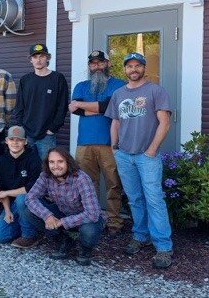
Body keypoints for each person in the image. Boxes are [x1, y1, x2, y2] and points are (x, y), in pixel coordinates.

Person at [105, 52, 174, 269]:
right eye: (129, 66)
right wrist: (114, 147)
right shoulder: (118, 94)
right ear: (124, 69)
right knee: (134, 199)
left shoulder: (156, 91)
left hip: (147, 157)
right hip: (124, 155)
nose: (133, 69)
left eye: (137, 66)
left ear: (144, 68)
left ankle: (163, 246)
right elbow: (115, 122)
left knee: (154, 199)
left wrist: (152, 150)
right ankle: (140, 235)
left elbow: (164, 123)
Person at [69, 50, 126, 235]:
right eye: (93, 64)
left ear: (107, 63)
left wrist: (85, 105)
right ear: (89, 66)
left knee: (113, 183)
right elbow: (74, 109)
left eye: (100, 63)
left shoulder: (118, 85)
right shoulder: (81, 86)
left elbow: (112, 106)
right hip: (84, 144)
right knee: (87, 184)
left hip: (111, 143)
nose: (97, 67)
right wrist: (102, 107)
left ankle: (114, 223)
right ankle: (91, 219)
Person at [18, 147, 104, 265]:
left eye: (60, 161)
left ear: (68, 162)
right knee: (26, 207)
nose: (55, 166)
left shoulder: (81, 178)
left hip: (85, 219)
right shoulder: (46, 176)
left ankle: (85, 250)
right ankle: (63, 240)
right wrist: (47, 216)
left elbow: (92, 213)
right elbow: (30, 197)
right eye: (51, 162)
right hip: (62, 212)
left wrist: (61, 222)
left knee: (89, 230)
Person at [12, 44, 69, 160]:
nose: (38, 60)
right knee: (28, 169)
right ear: (30, 60)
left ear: (48, 58)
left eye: (42, 56)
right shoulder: (25, 80)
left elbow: (62, 107)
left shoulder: (58, 78)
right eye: (35, 57)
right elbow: (19, 106)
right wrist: (22, 128)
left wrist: (52, 129)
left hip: (47, 135)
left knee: (47, 170)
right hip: (27, 134)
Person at [0, 126, 41, 244]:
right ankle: (27, 224)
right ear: (6, 141)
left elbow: (32, 189)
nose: (15, 143)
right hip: (11, 203)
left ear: (25, 141)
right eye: (12, 139)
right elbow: (3, 191)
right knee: (0, 236)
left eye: (19, 140)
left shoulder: (33, 159)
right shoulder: (1, 161)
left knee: (21, 199)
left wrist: (7, 193)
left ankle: (29, 235)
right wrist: (7, 211)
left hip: (31, 201)